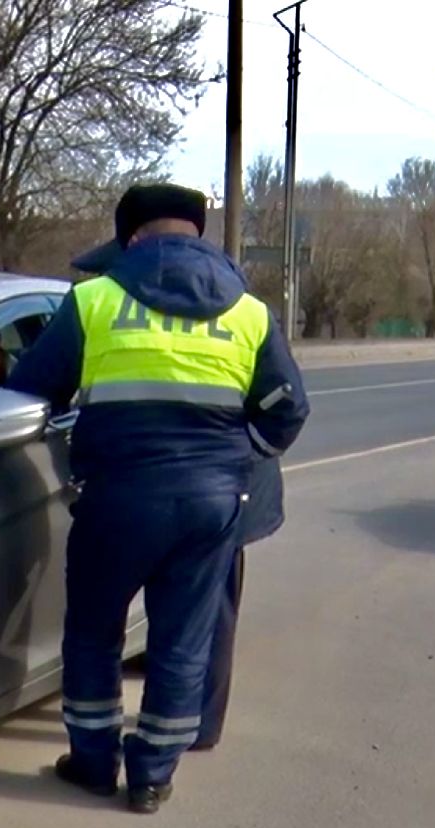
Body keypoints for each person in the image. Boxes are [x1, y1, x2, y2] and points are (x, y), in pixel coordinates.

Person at [7, 182, 309, 813]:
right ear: (197, 233)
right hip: (209, 505)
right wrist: (235, 462)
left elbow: (30, 388)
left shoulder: (95, 300)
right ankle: (151, 778)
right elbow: (288, 410)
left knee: (93, 633)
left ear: (131, 236)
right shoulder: (249, 312)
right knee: (182, 640)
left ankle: (92, 764)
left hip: (116, 496)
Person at [65, 242, 291, 754]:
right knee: (194, 624)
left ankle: (186, 731)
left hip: (194, 488)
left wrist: (240, 456)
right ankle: (179, 740)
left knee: (193, 622)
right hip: (219, 491)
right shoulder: (236, 305)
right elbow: (286, 403)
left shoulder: (113, 306)